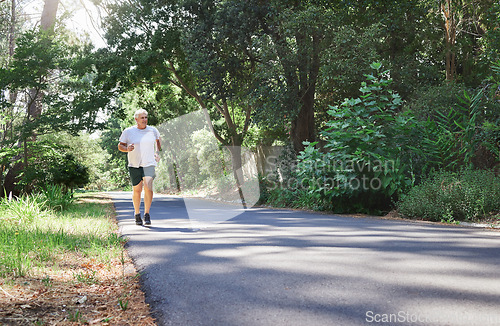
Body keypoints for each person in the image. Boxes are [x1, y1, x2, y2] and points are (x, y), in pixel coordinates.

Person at [118, 109, 162, 225]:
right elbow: (120, 145)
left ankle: (147, 214)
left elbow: (158, 141)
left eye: (146, 117)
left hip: (149, 163)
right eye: (142, 118)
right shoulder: (128, 132)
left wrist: (157, 153)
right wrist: (127, 149)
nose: (145, 120)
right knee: (137, 190)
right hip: (134, 164)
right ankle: (137, 213)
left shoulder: (153, 130)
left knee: (148, 187)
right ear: (136, 119)